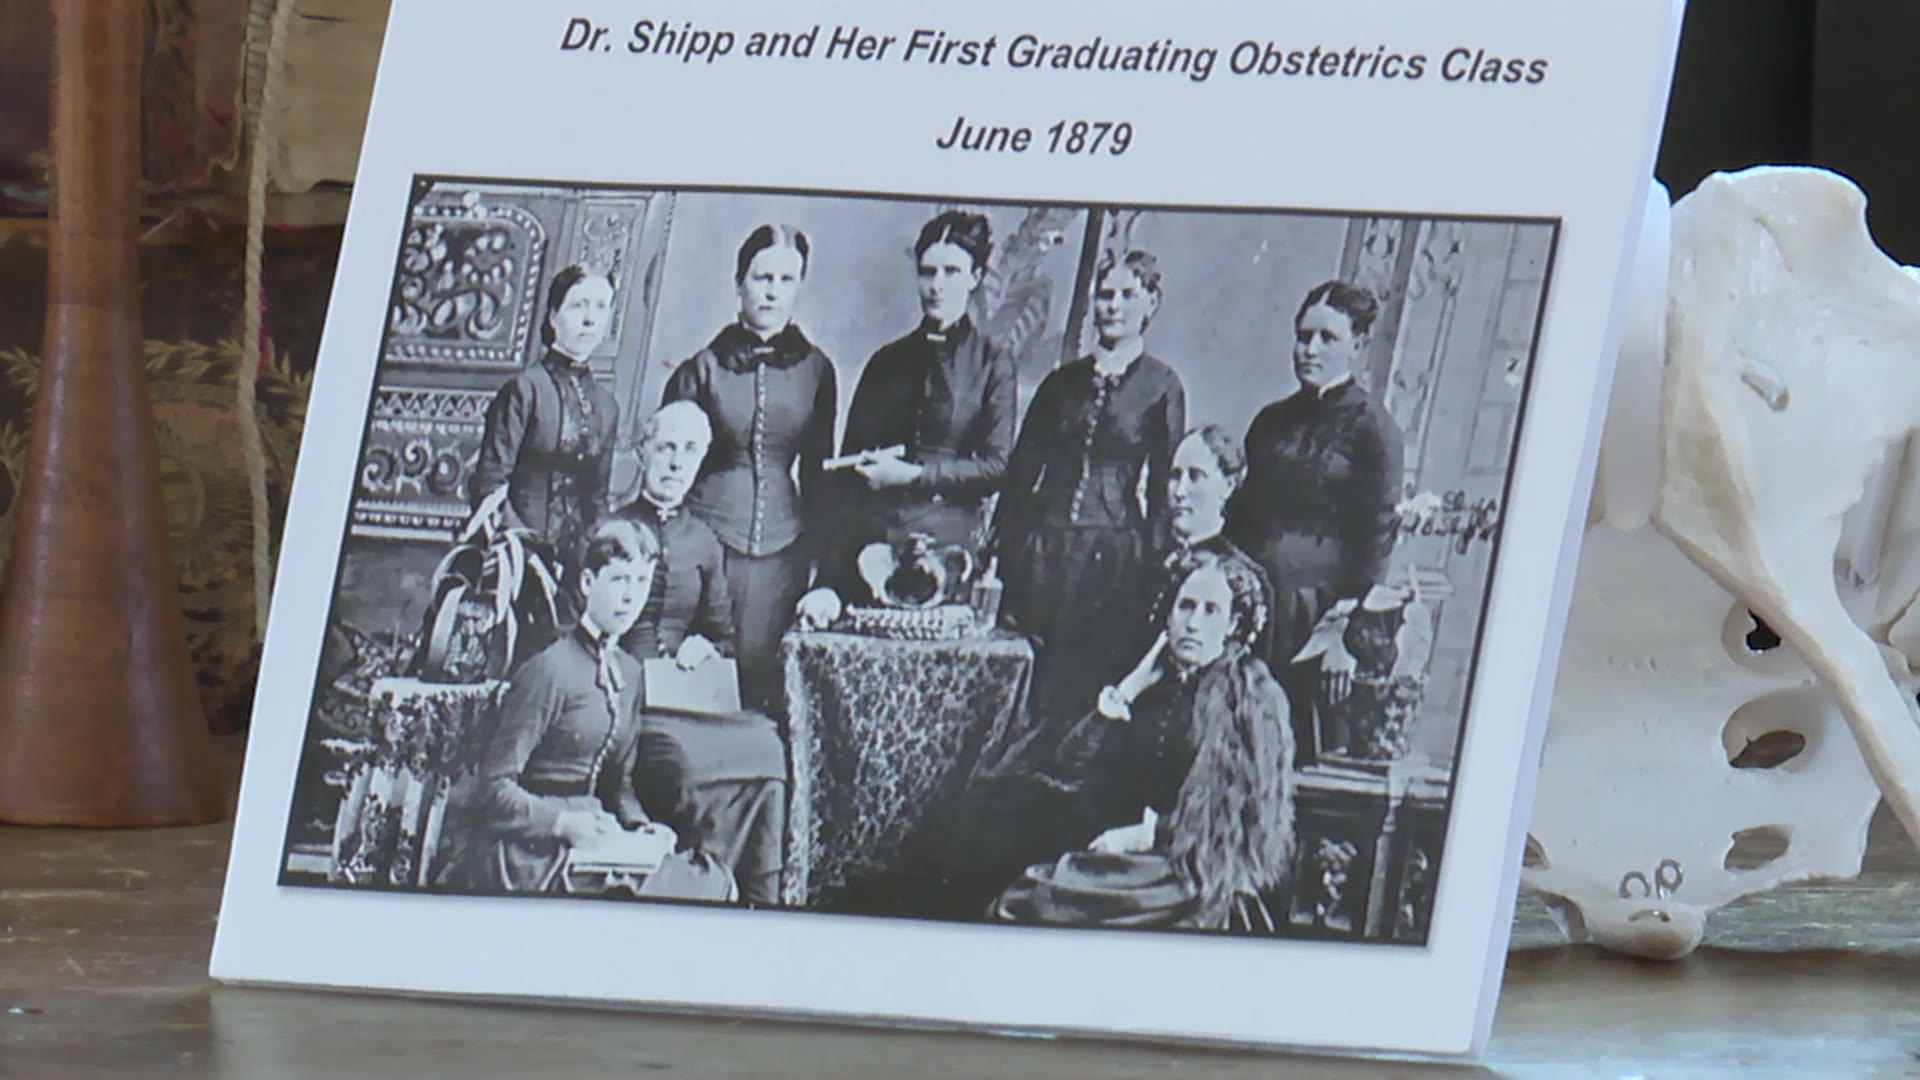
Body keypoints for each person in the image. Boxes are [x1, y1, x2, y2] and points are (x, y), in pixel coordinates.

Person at [899, 553, 1296, 931]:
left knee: (1031, 901)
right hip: (1141, 857)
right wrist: (1129, 689)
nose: (1193, 623)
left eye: (1212, 611)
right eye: (1186, 606)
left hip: (1196, 870)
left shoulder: (1248, 696)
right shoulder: (1160, 683)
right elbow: (1069, 768)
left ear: (1233, 625)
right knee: (1014, 881)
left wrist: (1141, 836)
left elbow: (1231, 820)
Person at [460, 518, 732, 901]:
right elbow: (492, 788)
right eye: (619, 580)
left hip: (598, 833)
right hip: (533, 847)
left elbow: (616, 783)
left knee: (708, 880)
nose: (630, 597)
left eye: (641, 582)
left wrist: (640, 827)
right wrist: (563, 824)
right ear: (589, 583)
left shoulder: (629, 671)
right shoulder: (549, 669)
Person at [796, 209, 1016, 626]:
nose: (937, 286)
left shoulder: (993, 363)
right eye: (928, 272)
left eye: (952, 271)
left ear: (975, 276)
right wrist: (826, 582)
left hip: (949, 553)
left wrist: (912, 476)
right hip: (872, 551)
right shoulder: (886, 362)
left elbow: (997, 467)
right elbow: (847, 481)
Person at [995, 249, 1187, 726]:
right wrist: (1009, 545)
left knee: (1089, 684)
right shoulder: (1063, 383)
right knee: (1032, 686)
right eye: (1105, 295)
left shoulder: (1162, 385)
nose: (1113, 306)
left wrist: (1158, 555)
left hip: (1115, 557)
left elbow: (1165, 482)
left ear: (1152, 304)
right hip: (1046, 551)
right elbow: (1022, 472)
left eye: (1127, 295)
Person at [612, 400, 789, 906]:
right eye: (665, 448)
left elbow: (723, 634)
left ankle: (757, 898)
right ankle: (699, 888)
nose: (675, 463)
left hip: (688, 697)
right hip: (632, 701)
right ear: (642, 451)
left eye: (689, 451)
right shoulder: (611, 528)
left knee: (769, 750)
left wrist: (704, 644)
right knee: (684, 766)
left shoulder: (705, 541)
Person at [1224, 279, 1404, 757]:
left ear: (1358, 347)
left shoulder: (1374, 430)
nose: (1310, 349)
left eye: (1327, 338)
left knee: (1298, 749)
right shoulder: (1270, 422)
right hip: (1254, 610)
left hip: (1317, 619)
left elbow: (1375, 542)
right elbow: (1240, 519)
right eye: (1303, 336)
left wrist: (1346, 635)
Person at [661, 226, 837, 712]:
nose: (772, 290)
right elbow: (668, 478)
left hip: (784, 557)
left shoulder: (817, 370)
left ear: (799, 284)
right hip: (707, 544)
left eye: (786, 278)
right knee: (695, 684)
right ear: (739, 281)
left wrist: (823, 569)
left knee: (761, 690)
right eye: (762, 276)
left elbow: (819, 476)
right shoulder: (701, 369)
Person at [469, 263, 622, 562]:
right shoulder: (525, 390)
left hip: (575, 562)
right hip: (512, 554)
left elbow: (597, 497)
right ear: (553, 317)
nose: (590, 319)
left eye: (601, 308)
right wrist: (523, 550)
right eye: (578, 306)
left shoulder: (606, 406)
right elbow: (489, 484)